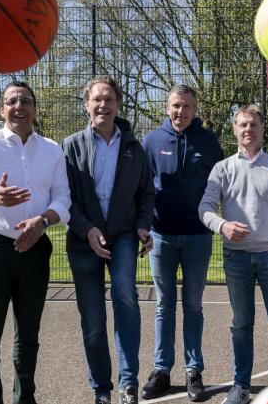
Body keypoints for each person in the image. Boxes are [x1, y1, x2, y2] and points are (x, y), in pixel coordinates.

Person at [0, 81, 71, 404]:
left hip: (36, 248)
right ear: (2, 109)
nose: (19, 106)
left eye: (25, 101)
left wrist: (43, 220)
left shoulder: (51, 149)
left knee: (29, 337)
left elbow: (64, 198)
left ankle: (25, 399)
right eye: (12, 101)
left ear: (34, 108)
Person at [198, 104, 268, 404]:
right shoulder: (222, 168)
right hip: (236, 259)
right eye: (242, 124)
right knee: (241, 326)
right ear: (235, 130)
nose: (248, 129)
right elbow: (205, 208)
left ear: (262, 128)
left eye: (253, 124)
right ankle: (241, 387)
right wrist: (222, 225)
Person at [62, 75, 156, 404]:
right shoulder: (70, 146)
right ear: (87, 105)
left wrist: (143, 226)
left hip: (123, 238)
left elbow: (147, 194)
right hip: (82, 240)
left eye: (110, 99)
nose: (103, 105)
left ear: (118, 105)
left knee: (125, 299)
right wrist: (86, 229)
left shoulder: (133, 147)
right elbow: (64, 198)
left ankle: (128, 383)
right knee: (93, 318)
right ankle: (101, 388)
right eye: (97, 99)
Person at [140, 85, 224, 401]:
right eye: (176, 105)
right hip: (160, 235)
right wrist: (142, 225)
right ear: (167, 108)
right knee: (164, 305)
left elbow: (221, 186)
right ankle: (162, 370)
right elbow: (142, 188)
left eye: (187, 106)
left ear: (195, 109)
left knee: (193, 305)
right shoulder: (151, 141)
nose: (181, 111)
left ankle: (193, 370)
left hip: (198, 236)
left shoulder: (209, 142)